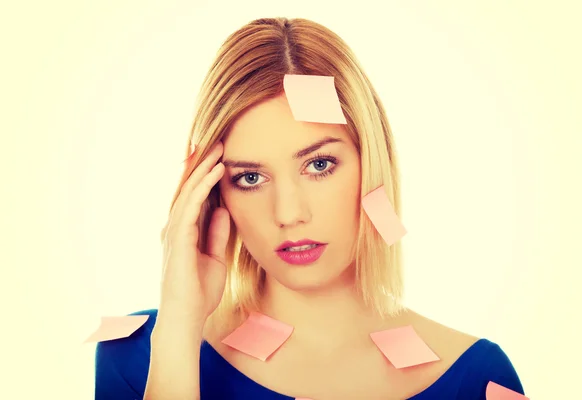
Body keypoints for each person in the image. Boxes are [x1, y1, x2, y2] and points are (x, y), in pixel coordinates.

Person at [94, 17, 525, 400]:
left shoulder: (475, 377)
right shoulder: (137, 356)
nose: (288, 214)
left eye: (319, 165)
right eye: (250, 177)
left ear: (370, 162)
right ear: (213, 195)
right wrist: (178, 332)